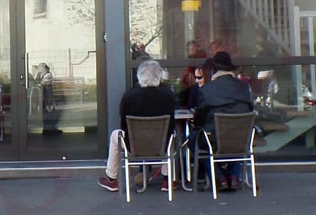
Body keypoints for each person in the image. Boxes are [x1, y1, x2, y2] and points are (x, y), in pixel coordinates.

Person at [98, 60, 179, 192]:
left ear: (139, 76)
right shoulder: (168, 95)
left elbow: (123, 122)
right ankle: (167, 179)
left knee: (115, 135)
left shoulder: (129, 96)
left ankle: (112, 178)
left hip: (134, 145)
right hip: (161, 144)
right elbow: (172, 120)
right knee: (170, 134)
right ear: (159, 76)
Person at [193, 51, 255, 191]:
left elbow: (199, 119)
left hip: (214, 139)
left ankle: (219, 177)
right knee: (236, 137)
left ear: (213, 70)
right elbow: (250, 109)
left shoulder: (206, 90)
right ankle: (233, 177)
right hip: (241, 139)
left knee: (195, 140)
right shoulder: (244, 87)